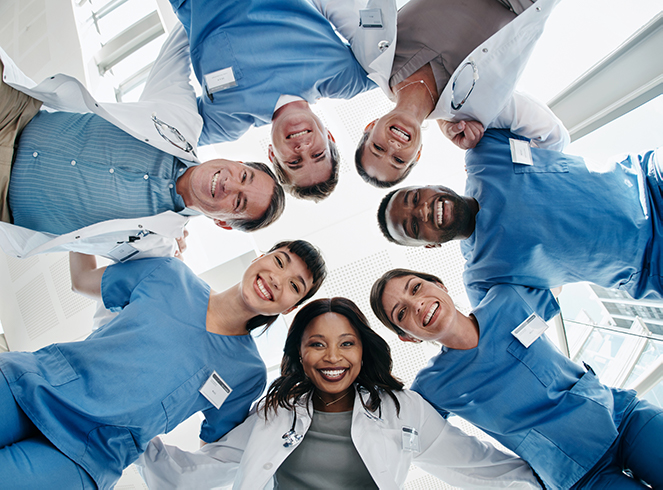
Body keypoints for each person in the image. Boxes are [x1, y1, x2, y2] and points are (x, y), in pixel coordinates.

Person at [0, 239, 326, 490]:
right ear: (260, 258)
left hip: (87, 456)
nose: (277, 280)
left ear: (290, 307)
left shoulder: (247, 373)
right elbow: (83, 279)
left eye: (294, 285)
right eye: (279, 262)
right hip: (29, 384)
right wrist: (83, 227)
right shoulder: (169, 274)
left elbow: (215, 447)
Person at [137, 297, 542, 489]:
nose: (333, 357)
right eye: (317, 344)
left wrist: (561, 479)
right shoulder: (274, 413)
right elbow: (196, 474)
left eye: (346, 343)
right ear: (299, 352)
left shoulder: (405, 411)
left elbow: (480, 468)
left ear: (364, 349)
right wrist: (128, 434)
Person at [0, 24, 285, 261]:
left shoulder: (155, 248)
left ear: (223, 222)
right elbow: (182, 39)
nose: (230, 184)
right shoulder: (180, 120)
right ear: (236, 163)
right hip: (16, 115)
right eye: (244, 176)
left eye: (238, 201)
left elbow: (115, 291)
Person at [371, 268, 663, 489]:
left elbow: (557, 276)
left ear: (440, 285)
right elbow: (408, 434)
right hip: (579, 476)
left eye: (416, 288)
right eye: (402, 312)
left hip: (623, 418)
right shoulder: (432, 387)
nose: (417, 304)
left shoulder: (506, 300)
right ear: (407, 338)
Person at [377, 129, 663, 305]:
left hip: (649, 177)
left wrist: (446, 121)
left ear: (430, 185)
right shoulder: (483, 278)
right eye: (414, 226)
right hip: (653, 263)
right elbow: (496, 340)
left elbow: (493, 90)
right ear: (430, 245)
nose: (424, 210)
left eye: (414, 198)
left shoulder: (484, 154)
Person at [167, 0, 385, 201]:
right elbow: (402, 64)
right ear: (328, 137)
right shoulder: (344, 79)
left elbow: (161, 140)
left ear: (272, 153)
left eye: (294, 162)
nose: (302, 148)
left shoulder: (226, 123)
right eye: (317, 154)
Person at [352, 0, 568, 187]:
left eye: (378, 147)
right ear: (417, 154)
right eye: (399, 160)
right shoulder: (473, 113)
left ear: (370, 127)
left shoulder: (372, 56)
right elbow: (553, 137)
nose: (393, 147)